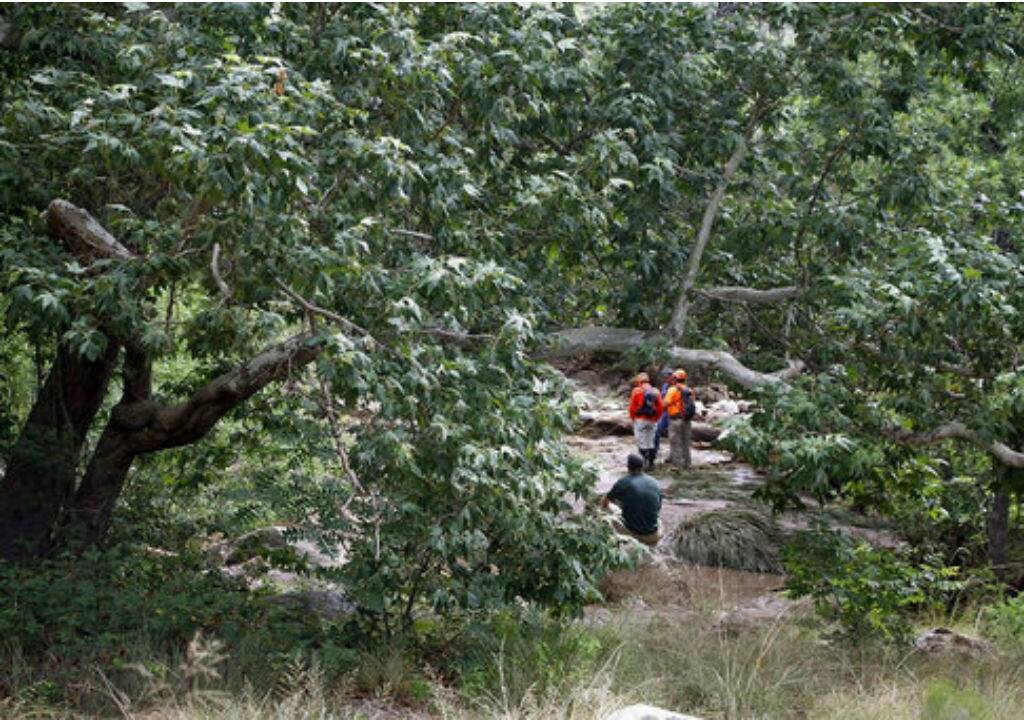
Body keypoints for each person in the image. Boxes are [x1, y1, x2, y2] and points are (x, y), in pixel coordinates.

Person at [602, 453, 663, 546]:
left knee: (607, 514)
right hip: (654, 534)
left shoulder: (624, 482)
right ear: (643, 466)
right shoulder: (654, 482)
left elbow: (605, 502)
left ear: (628, 467)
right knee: (656, 518)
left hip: (633, 534)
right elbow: (658, 508)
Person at [628, 372, 662, 470]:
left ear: (639, 381)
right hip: (652, 420)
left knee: (641, 441)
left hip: (640, 420)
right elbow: (660, 407)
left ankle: (643, 462)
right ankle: (651, 463)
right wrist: (656, 418)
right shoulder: (656, 391)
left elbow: (632, 407)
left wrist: (633, 418)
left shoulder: (636, 391)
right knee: (651, 441)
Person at [663, 369, 696, 468]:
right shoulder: (690, 390)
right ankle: (688, 464)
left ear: (675, 378)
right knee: (686, 443)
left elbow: (665, 404)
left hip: (675, 420)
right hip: (687, 420)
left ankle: (677, 466)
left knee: (675, 443)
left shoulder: (672, 390)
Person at [652, 368, 673, 463]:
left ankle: (673, 456)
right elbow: (660, 398)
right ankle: (654, 452)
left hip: (672, 413)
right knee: (656, 431)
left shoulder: (676, 387)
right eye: (664, 376)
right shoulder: (664, 386)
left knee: (673, 436)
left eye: (667, 376)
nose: (665, 378)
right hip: (663, 413)